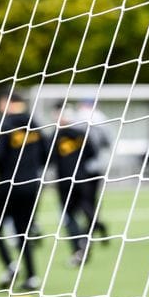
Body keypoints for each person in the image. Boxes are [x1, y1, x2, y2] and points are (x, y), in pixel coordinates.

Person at [0, 93, 47, 291]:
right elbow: (46, 154)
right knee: (24, 232)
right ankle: (31, 276)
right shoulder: (34, 123)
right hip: (32, 184)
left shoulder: (3, 124)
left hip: (9, 185)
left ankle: (11, 267)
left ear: (5, 103)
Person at [51, 104, 98, 266]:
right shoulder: (80, 134)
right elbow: (92, 152)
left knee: (68, 216)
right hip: (82, 178)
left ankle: (78, 248)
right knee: (86, 210)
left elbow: (48, 158)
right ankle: (86, 239)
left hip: (65, 181)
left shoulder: (57, 136)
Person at [74, 99, 110, 241]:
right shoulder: (102, 119)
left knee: (83, 200)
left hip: (83, 167)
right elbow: (108, 142)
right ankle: (94, 227)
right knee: (92, 199)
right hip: (98, 166)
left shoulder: (79, 120)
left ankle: (96, 225)